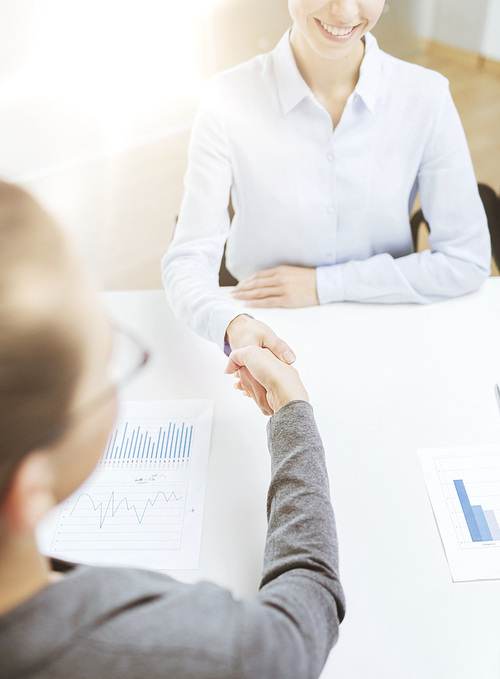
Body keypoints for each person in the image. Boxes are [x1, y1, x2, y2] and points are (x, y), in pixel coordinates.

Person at [0, 180, 345, 678]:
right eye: (104, 370)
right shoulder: (177, 648)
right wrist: (293, 415)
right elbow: (297, 629)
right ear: (27, 490)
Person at [162, 0, 491, 362]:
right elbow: (187, 259)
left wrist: (324, 285)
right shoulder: (227, 97)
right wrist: (231, 324)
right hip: (263, 328)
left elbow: (467, 260)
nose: (346, 12)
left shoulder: (427, 96)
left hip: (389, 323)